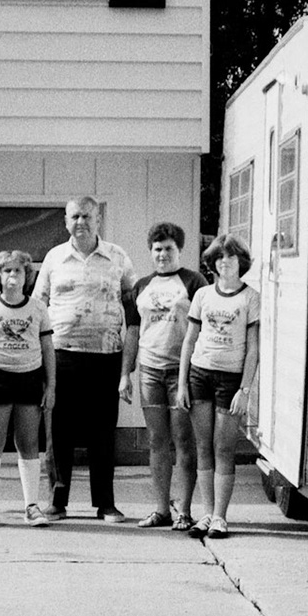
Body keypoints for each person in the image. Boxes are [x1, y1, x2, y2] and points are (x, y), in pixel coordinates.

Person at [32, 195, 138, 521]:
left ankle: (105, 503)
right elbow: (38, 306)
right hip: (61, 355)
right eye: (75, 216)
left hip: (106, 355)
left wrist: (126, 368)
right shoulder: (54, 258)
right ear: (66, 221)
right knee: (57, 431)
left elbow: (134, 311)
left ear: (98, 220)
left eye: (87, 216)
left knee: (103, 432)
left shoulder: (118, 257)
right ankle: (56, 501)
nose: (81, 222)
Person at [176, 232, 260, 540]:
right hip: (200, 374)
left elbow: (253, 348)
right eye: (220, 257)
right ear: (212, 262)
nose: (225, 262)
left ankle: (221, 518)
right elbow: (189, 340)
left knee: (224, 447)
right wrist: (183, 382)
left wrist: (245, 389)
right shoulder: (203, 296)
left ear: (241, 262)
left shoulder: (250, 297)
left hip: (230, 379)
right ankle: (207, 513)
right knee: (203, 447)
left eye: (232, 257)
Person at [123, 222, 204, 529]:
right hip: (150, 372)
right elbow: (132, 331)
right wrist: (124, 374)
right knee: (157, 441)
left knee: (184, 440)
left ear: (179, 250)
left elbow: (201, 329)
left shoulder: (193, 282)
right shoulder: (141, 286)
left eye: (169, 248)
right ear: (150, 251)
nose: (162, 254)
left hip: (181, 373)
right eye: (157, 249)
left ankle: (184, 510)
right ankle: (161, 509)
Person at [0, 249, 55, 528]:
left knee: (29, 443)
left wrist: (50, 386)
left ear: (26, 275)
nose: (12, 275)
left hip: (29, 379)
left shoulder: (38, 308)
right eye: (7, 271)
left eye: (18, 270)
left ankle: (31, 506)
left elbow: (47, 349)